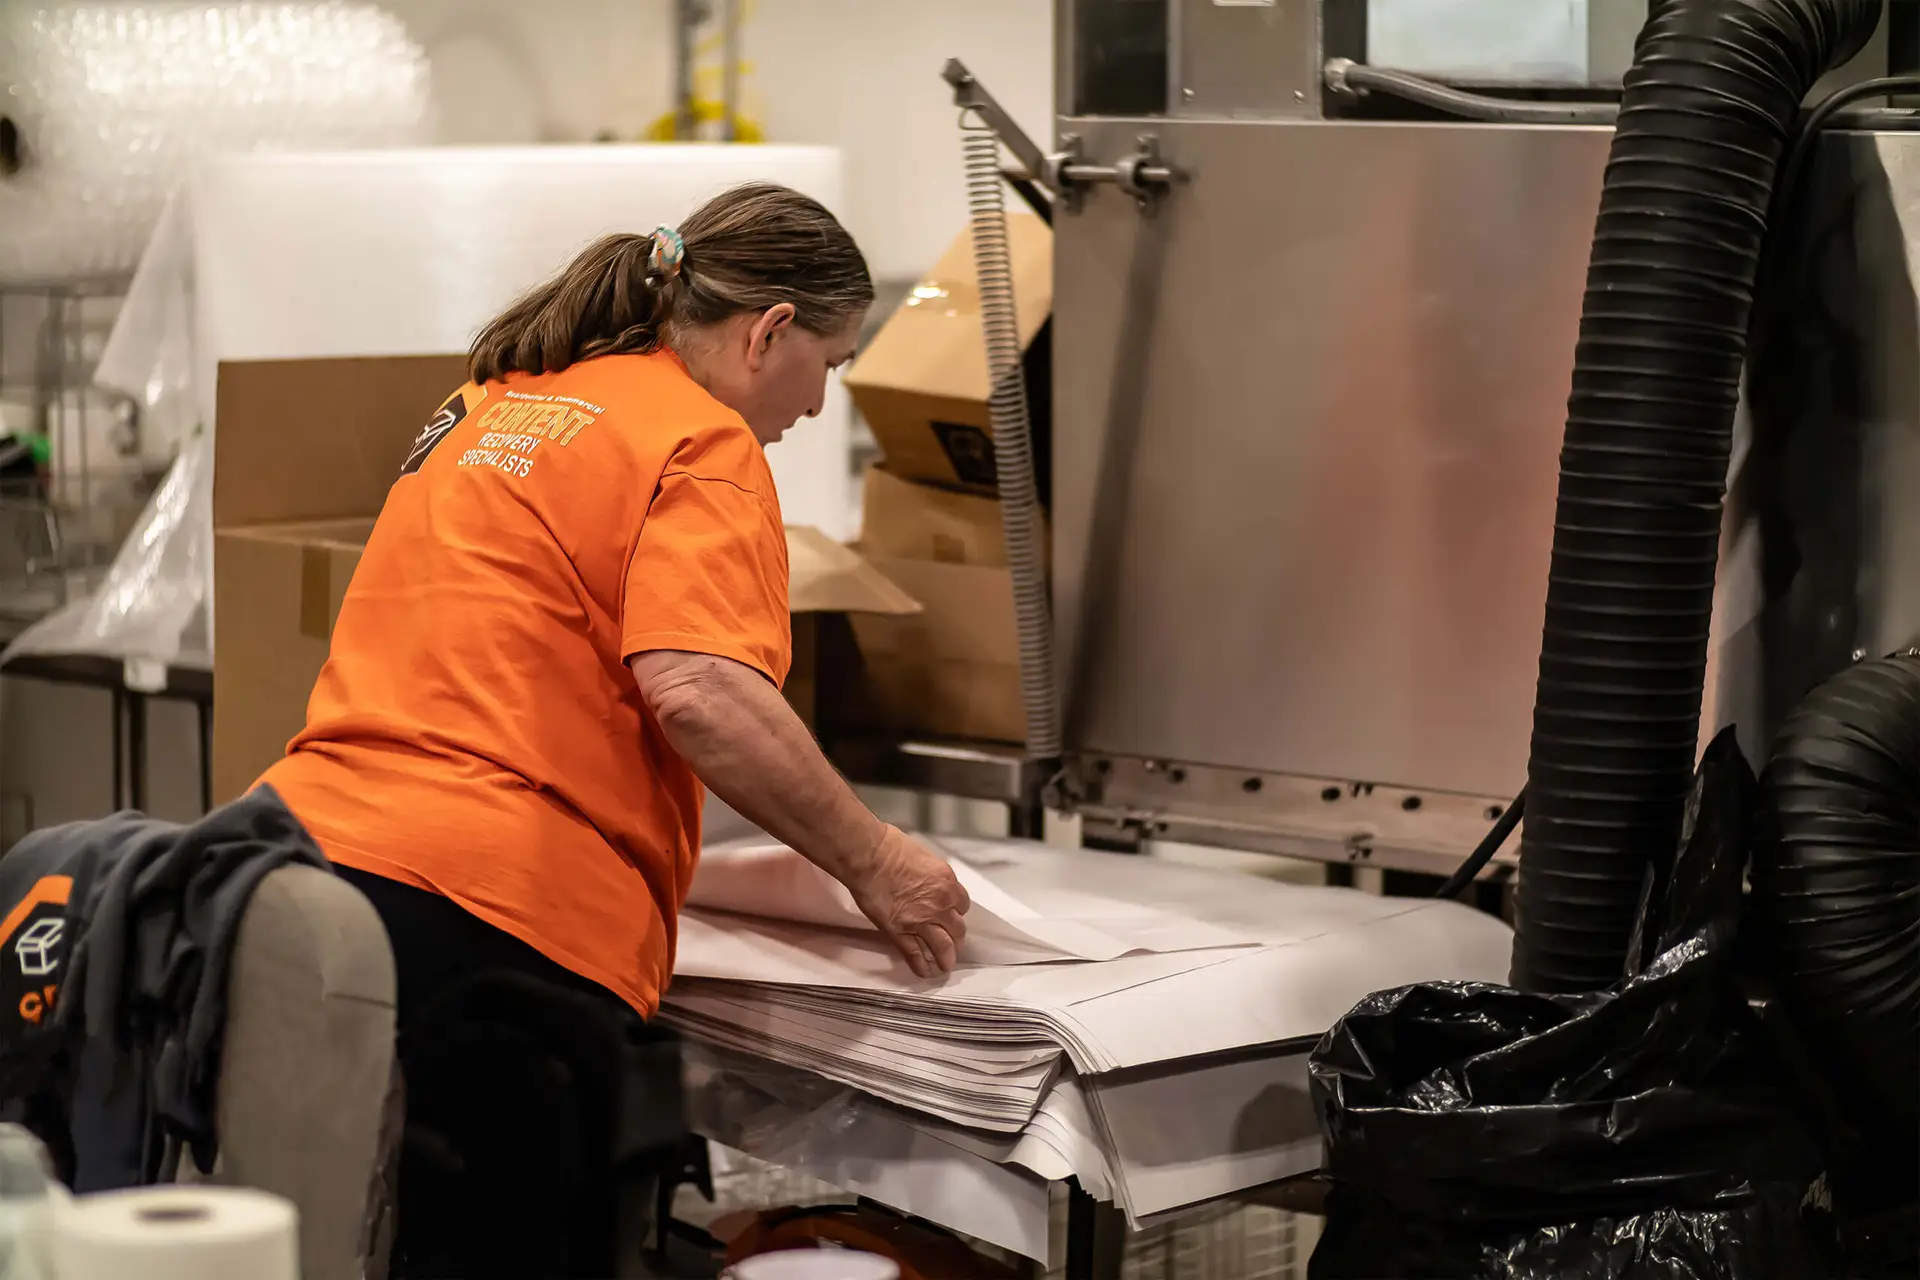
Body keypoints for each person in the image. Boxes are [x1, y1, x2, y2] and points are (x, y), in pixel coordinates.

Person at [253, 182, 971, 1277]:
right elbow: (700, 689)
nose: (820, 403)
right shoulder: (702, 441)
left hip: (295, 865)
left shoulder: (494, 400)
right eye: (828, 363)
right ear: (770, 330)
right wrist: (878, 862)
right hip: (494, 920)